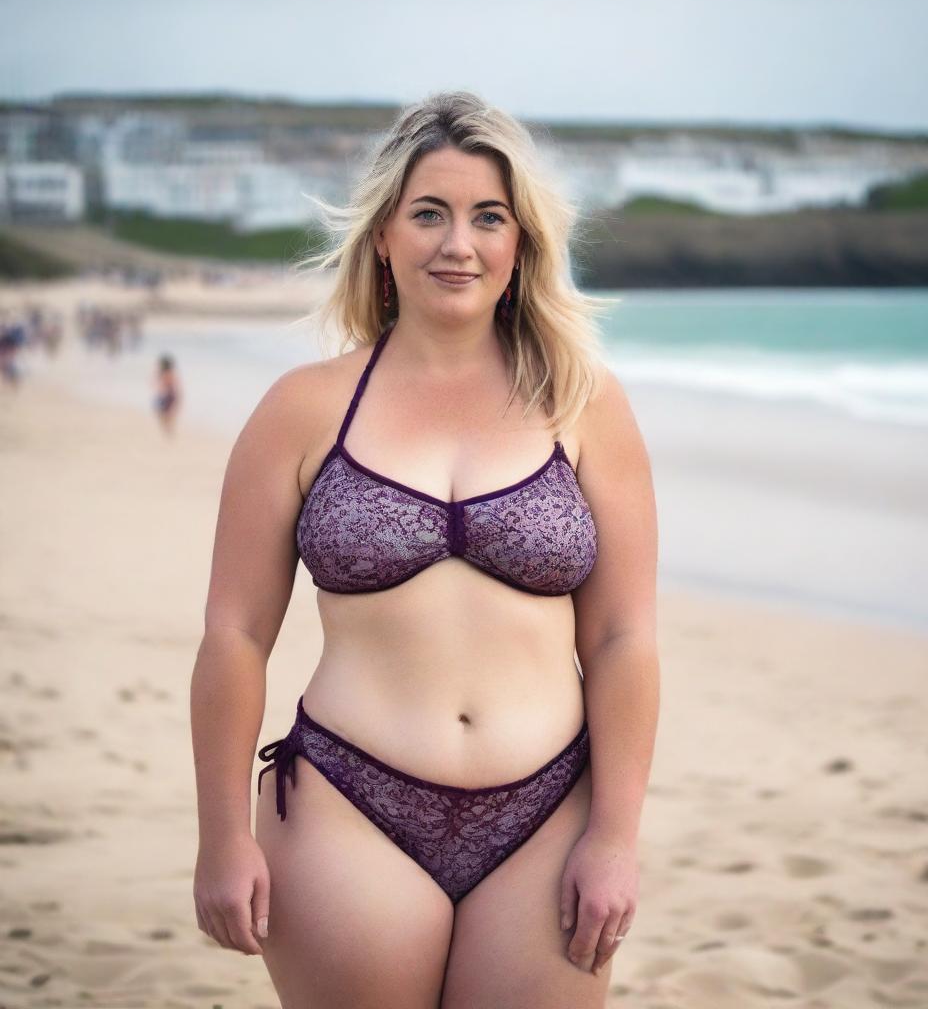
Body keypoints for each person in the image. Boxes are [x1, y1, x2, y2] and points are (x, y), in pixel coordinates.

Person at [190, 90, 659, 1008]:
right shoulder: (303, 408)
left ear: (520, 242)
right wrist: (220, 837)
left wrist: (615, 836)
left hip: (548, 813)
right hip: (345, 806)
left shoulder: (584, 403)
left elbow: (623, 640)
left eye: (489, 217)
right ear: (383, 237)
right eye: (430, 214)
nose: (459, 244)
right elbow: (235, 635)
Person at [153, 354, 180, 435]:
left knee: (165, 414)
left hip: (168, 396)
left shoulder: (168, 374)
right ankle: (168, 429)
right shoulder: (165, 373)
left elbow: (172, 385)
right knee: (165, 414)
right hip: (168, 396)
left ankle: (168, 429)